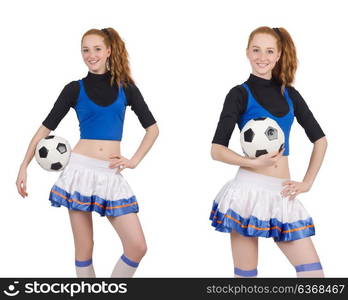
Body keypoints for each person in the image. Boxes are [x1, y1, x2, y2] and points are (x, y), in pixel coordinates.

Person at [15, 27, 159, 278]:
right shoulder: (74, 89)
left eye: (97, 49)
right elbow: (44, 129)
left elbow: (153, 129)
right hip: (79, 172)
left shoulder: (127, 89)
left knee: (137, 246)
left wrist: (134, 161)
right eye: (85, 50)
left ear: (108, 51)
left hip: (110, 173)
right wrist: (23, 166)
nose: (90, 55)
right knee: (84, 249)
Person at [210, 26, 327, 278]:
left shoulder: (291, 95)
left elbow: (320, 140)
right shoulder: (239, 94)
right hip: (247, 192)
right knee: (246, 280)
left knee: (313, 276)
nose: (262, 57)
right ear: (247, 53)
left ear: (278, 55)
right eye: (256, 50)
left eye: (269, 51)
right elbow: (216, 150)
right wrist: (252, 162)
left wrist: (307, 183)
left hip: (282, 192)